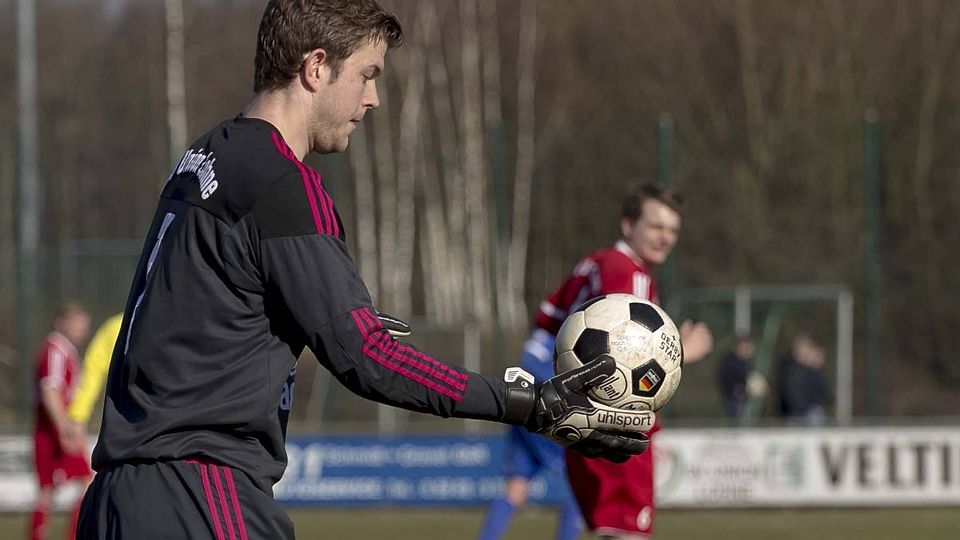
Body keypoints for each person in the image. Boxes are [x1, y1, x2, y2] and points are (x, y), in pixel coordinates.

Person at [76, 2, 657, 538]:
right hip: (199, 493)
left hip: (116, 500)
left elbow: (221, 309)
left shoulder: (204, 157)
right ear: (316, 68)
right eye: (367, 74)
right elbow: (366, 358)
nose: (373, 98)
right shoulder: (282, 184)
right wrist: (527, 403)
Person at [538, 183, 714, 539]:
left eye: (672, 230)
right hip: (617, 419)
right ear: (628, 225)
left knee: (610, 529)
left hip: (582, 416)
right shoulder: (629, 273)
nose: (665, 238)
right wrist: (682, 350)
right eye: (656, 226)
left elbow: (547, 320)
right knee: (628, 532)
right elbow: (623, 350)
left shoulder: (592, 264)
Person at [477, 329, 583, 540]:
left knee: (516, 488)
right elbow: (530, 365)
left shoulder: (550, 334)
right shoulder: (559, 335)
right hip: (547, 415)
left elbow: (527, 362)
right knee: (578, 485)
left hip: (525, 413)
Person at [31, 302, 92, 540]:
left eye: (83, 325)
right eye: (76, 324)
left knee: (48, 490)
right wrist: (64, 428)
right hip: (55, 432)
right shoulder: (55, 350)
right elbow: (50, 391)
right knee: (86, 483)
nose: (81, 330)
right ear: (61, 323)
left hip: (55, 430)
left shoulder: (65, 351)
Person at [65, 313, 123, 434]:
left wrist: (78, 416)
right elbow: (93, 373)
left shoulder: (119, 325)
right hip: (132, 419)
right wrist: (78, 416)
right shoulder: (118, 327)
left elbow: (93, 373)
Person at [778, 333, 828, 426]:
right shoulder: (790, 369)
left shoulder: (813, 371)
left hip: (810, 411)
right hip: (795, 413)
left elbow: (821, 391)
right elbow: (790, 393)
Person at [717, 334, 767, 424]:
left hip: (743, 397)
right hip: (733, 397)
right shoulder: (730, 362)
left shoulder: (745, 363)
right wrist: (736, 388)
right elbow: (726, 379)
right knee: (736, 420)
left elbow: (749, 378)